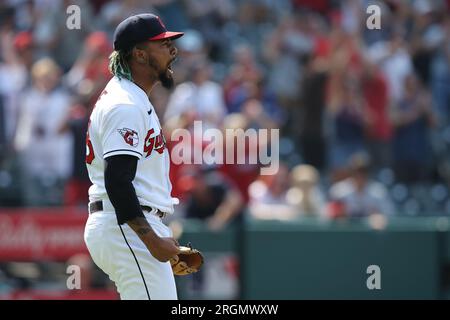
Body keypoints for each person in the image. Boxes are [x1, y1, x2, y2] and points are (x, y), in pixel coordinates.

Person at [83, 13, 184, 300]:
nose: (172, 51)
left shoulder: (132, 97)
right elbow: (117, 180)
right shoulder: (124, 104)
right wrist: (151, 241)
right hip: (127, 226)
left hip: (124, 226)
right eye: (163, 45)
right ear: (139, 54)